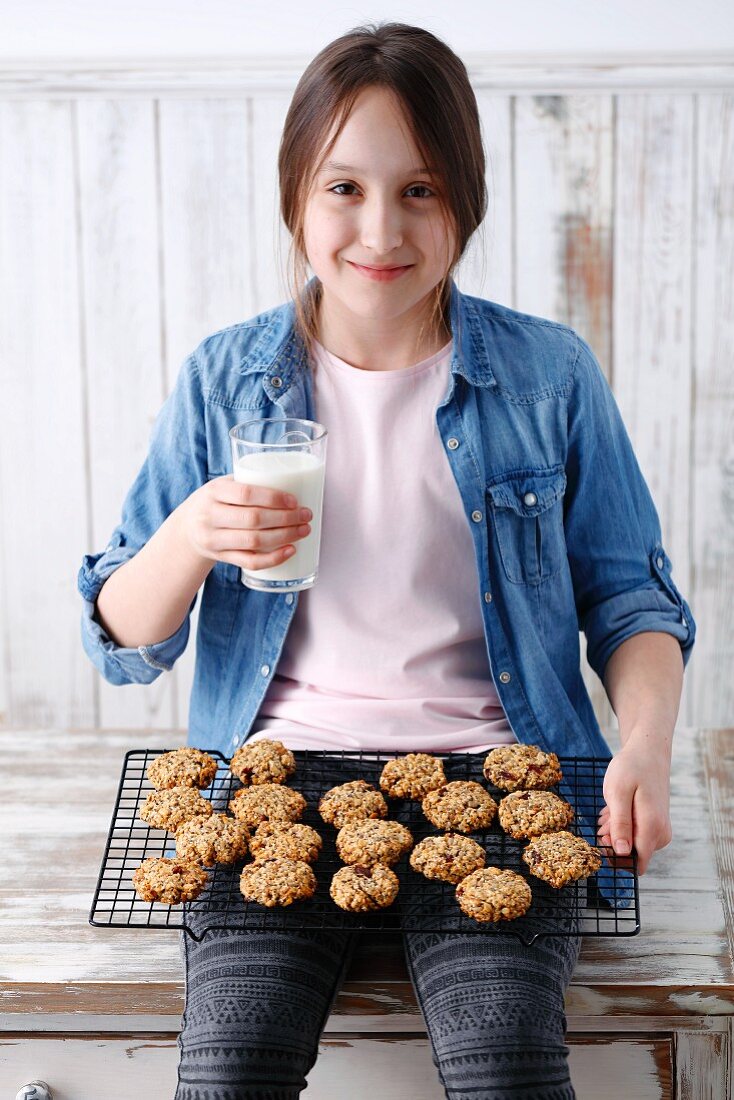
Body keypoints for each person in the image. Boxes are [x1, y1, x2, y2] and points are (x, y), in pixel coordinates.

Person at [77, 21, 696, 1100]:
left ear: (465, 198)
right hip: (273, 784)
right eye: (343, 188)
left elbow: (628, 596)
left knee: (506, 1064)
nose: (380, 227)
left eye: (419, 189)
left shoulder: (546, 375)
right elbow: (126, 637)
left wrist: (642, 743)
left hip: (504, 777)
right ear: (295, 199)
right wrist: (189, 534)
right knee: (224, 1072)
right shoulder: (225, 380)